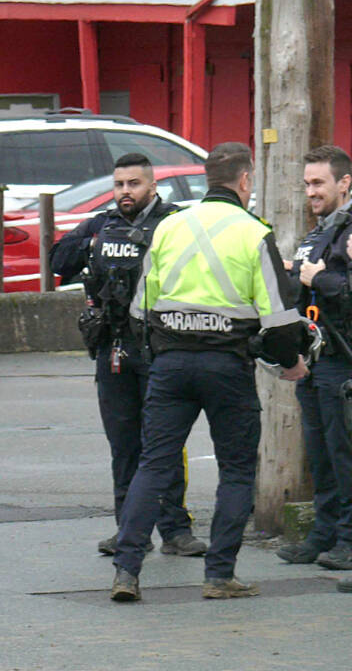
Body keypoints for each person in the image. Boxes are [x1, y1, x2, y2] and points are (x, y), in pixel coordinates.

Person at [110, 142, 309, 602]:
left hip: (171, 364)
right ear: (245, 181)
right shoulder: (253, 232)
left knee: (153, 466)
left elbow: (141, 308)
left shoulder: (170, 227)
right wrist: (291, 364)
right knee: (237, 470)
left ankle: (126, 572)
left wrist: (164, 349)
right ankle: (219, 576)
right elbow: (279, 319)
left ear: (206, 180)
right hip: (226, 366)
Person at [52, 154, 206, 558]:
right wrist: (93, 244)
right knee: (123, 443)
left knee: (164, 441)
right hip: (113, 347)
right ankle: (128, 528)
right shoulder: (102, 224)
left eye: (134, 184)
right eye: (119, 184)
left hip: (159, 346)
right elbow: (58, 260)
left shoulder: (174, 222)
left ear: (152, 187)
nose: (125, 192)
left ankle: (175, 529)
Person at [275, 146, 352, 572]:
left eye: (319, 183)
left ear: (344, 182)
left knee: (344, 453)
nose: (311, 192)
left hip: (343, 358)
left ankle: (348, 537)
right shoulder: (320, 231)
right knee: (319, 453)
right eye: (307, 184)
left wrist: (316, 276)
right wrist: (292, 273)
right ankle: (324, 533)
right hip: (316, 358)